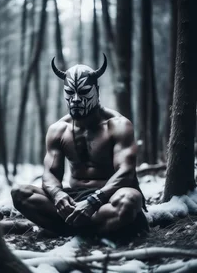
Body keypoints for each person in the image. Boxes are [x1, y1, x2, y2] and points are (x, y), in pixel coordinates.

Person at [11, 55, 149, 240]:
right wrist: (58, 195)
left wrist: (94, 201)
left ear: (96, 90)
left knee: (129, 201)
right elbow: (50, 173)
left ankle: (67, 229)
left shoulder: (118, 125)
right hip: (73, 199)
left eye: (83, 92)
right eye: (70, 92)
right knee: (20, 194)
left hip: (110, 197)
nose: (75, 99)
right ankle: (93, 229)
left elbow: (125, 173)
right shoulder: (58, 129)